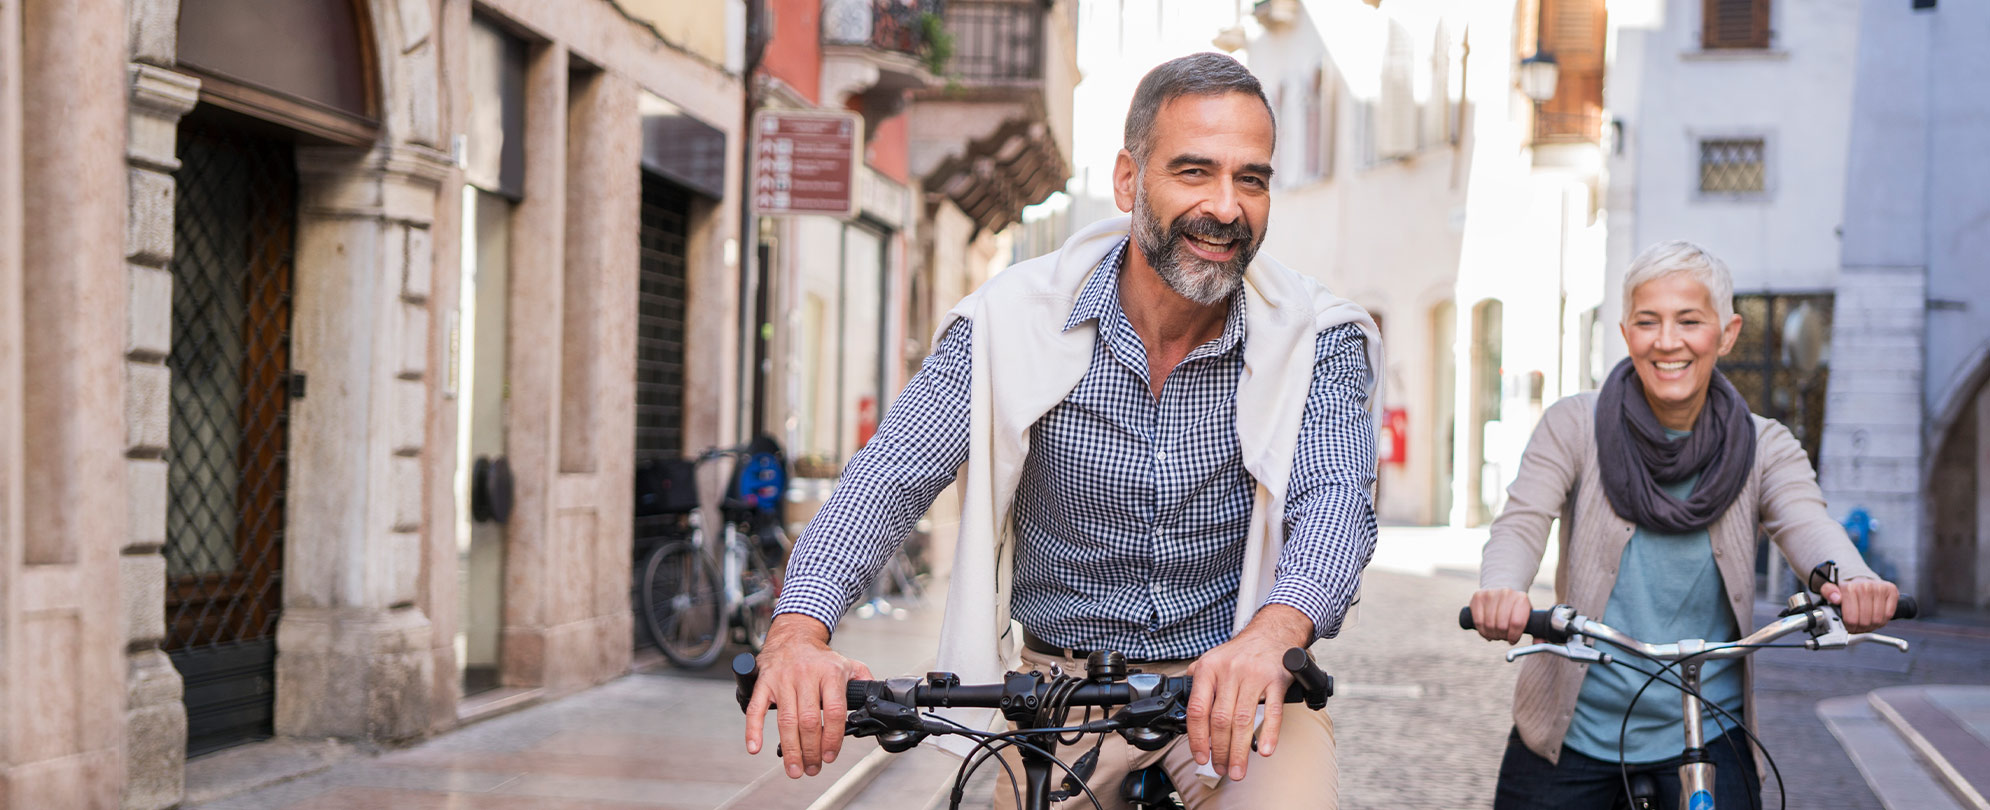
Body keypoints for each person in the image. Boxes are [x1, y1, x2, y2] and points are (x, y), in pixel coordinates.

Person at [742, 53, 1381, 809]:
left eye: (1252, 179)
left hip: (1236, 684)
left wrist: (1275, 635)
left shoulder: (1317, 335)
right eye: (1193, 171)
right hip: (1057, 697)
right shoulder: (1011, 320)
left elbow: (1336, 501)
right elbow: (889, 478)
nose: (1227, 205)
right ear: (1127, 180)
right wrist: (798, 630)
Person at [1468, 241, 1902, 809]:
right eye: (1648, 321)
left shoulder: (1765, 445)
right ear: (1626, 333)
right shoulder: (1573, 426)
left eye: (1689, 321)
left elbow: (1808, 524)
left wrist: (1856, 580)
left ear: (1726, 334)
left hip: (1711, 723)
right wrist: (1502, 590)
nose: (1667, 341)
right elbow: (1521, 522)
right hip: (1574, 732)